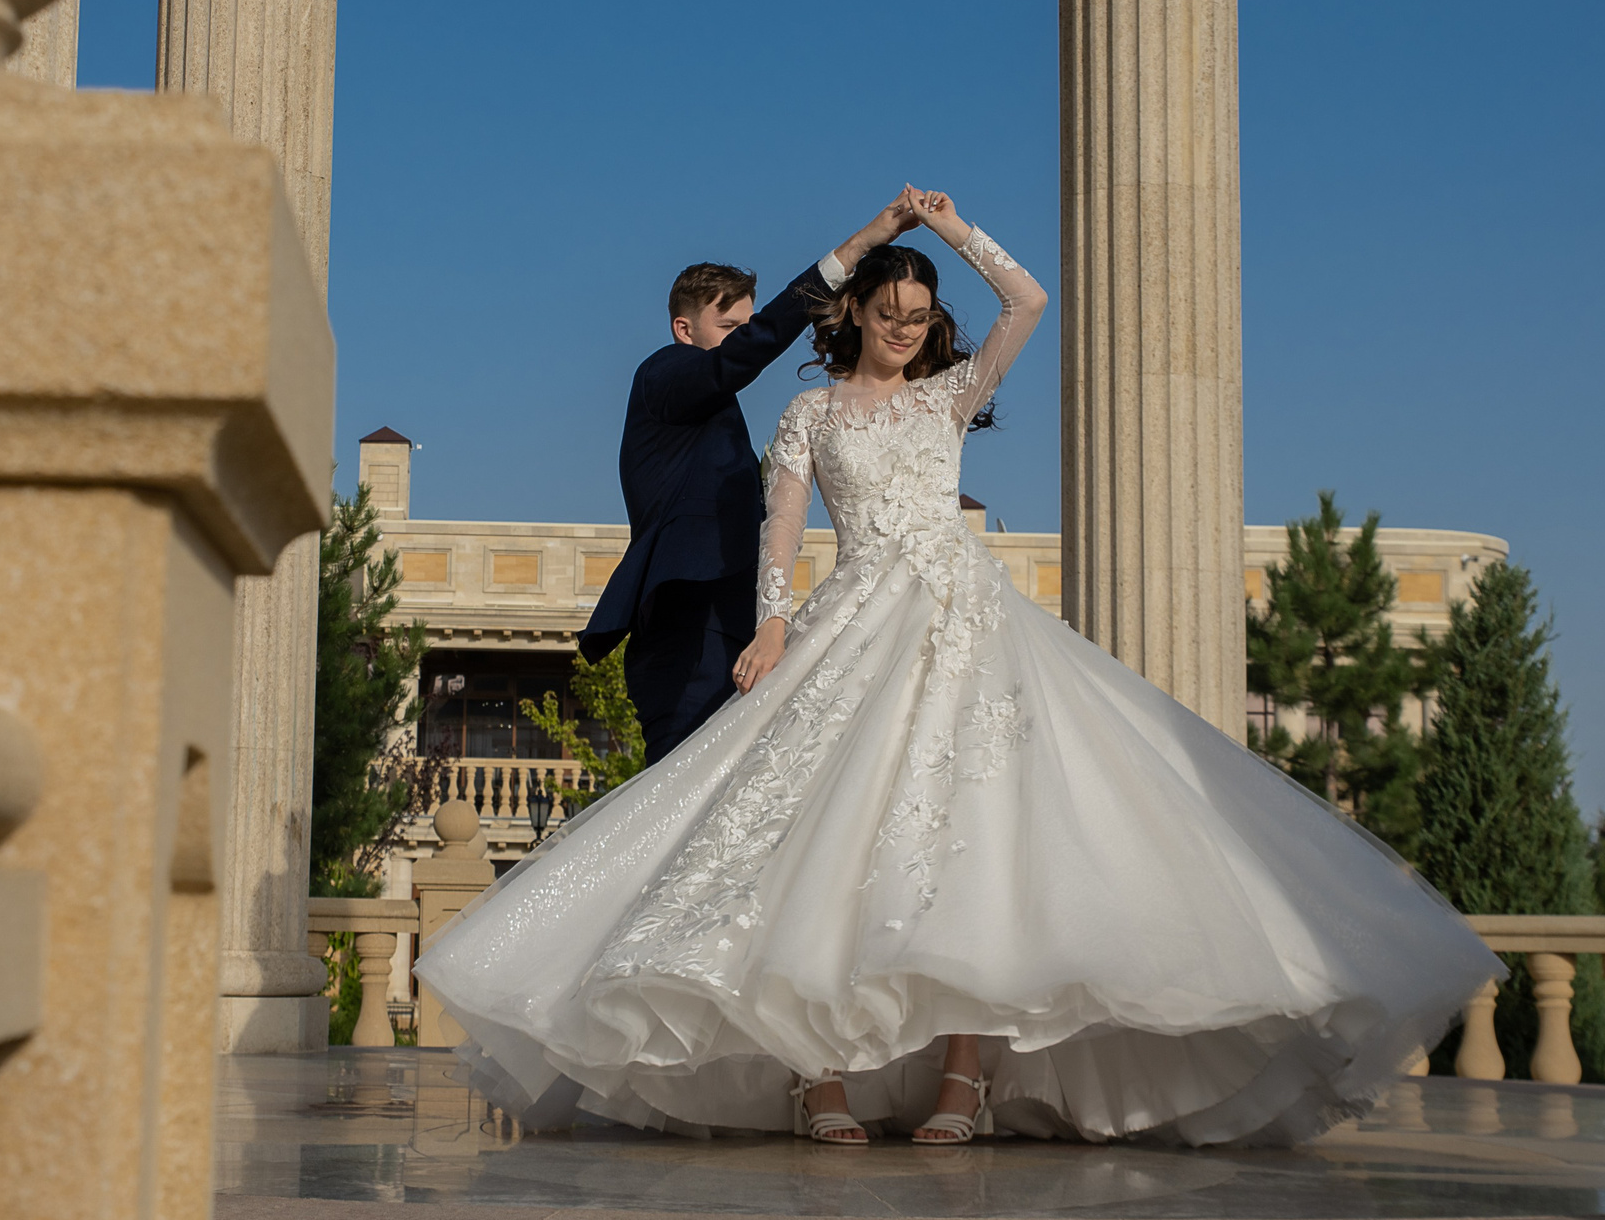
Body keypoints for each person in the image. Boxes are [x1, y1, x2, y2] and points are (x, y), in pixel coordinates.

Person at [419, 187, 1502, 1150]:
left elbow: (1028, 303)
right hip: (851, 621)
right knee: (811, 841)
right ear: (856, 318)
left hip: (965, 623)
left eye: (917, 320)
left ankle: (965, 1078)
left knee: (981, 842)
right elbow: (781, 533)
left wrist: (951, 229)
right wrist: (771, 625)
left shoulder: (949, 397)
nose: (902, 333)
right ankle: (818, 1074)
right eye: (887, 317)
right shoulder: (805, 411)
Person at [581, 196, 927, 766]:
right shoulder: (664, 373)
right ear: (683, 328)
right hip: (690, 620)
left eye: (747, 323)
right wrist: (863, 242)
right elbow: (750, 351)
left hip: (728, 616)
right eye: (729, 326)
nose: (742, 336)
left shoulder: (710, 412)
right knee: (676, 787)